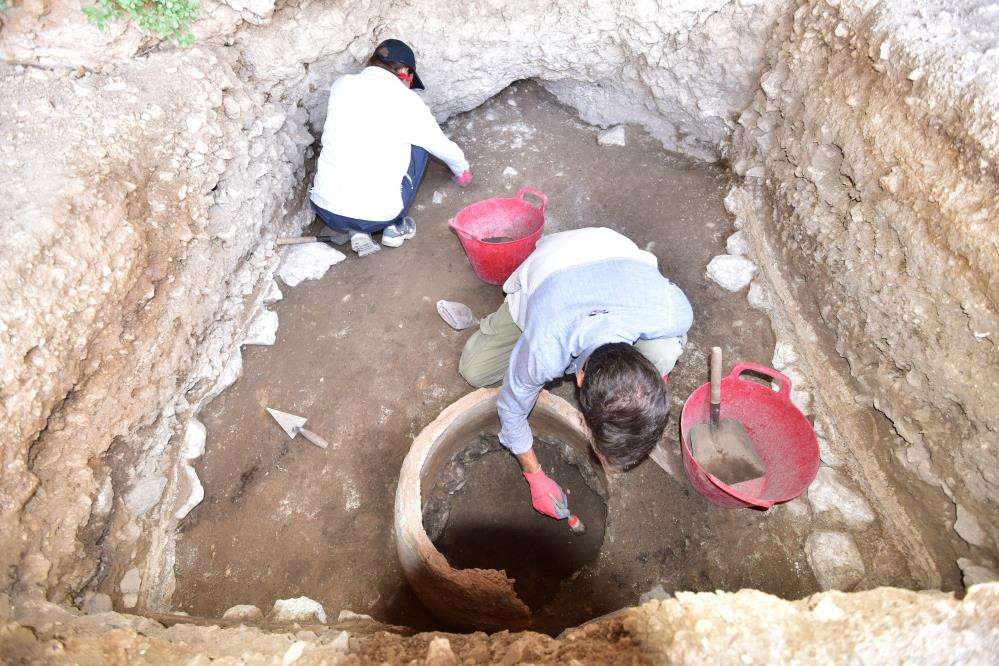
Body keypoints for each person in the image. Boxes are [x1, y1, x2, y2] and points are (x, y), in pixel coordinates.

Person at [457, 227, 693, 520]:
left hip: (621, 259)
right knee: (475, 371)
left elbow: (671, 336)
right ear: (579, 378)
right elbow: (511, 409)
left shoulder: (674, 312)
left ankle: (645, 379)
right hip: (555, 266)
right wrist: (534, 475)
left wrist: (643, 397)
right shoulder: (545, 346)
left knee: (665, 351)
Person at [309, 39, 472, 257]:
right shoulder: (408, 100)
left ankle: (356, 230)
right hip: (377, 216)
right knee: (420, 144)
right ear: (404, 72)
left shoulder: (342, 85)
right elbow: (440, 145)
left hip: (326, 209)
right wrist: (461, 170)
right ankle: (394, 228)